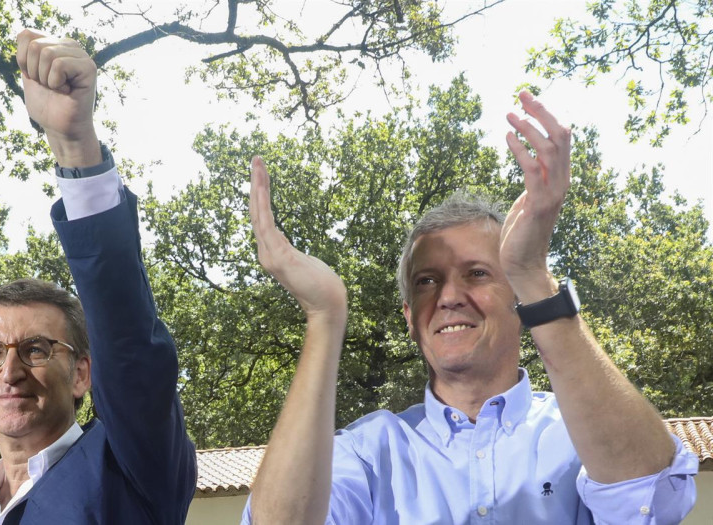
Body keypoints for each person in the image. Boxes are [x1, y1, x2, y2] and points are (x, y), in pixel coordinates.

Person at [242, 92, 698, 524]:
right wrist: (324, 317)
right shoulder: (369, 451)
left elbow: (653, 501)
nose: (448, 296)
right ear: (408, 317)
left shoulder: (577, 427)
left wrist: (533, 274)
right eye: (427, 281)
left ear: (519, 299)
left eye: (477, 273)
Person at [0, 30, 197, 524]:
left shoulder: (128, 466)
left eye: (37, 349)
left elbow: (129, 348)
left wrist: (74, 143)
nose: (10, 371)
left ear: (83, 372)